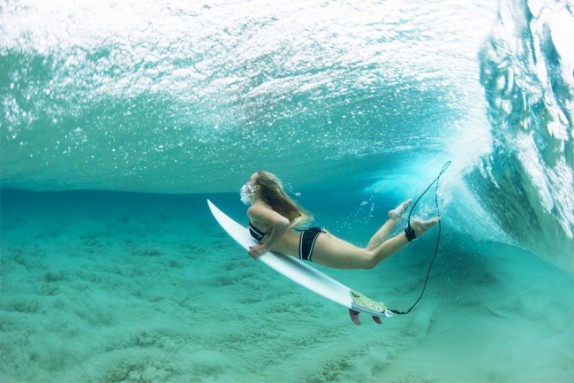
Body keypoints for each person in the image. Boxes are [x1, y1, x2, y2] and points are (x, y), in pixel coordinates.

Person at [241, 171, 439, 269]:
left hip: (310, 247)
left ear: (257, 188)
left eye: (250, 181)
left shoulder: (256, 209)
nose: (247, 184)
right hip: (312, 240)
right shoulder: (265, 205)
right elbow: (278, 225)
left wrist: (264, 247)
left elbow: (282, 224)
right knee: (367, 252)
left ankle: (414, 230)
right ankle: (394, 218)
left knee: (370, 261)